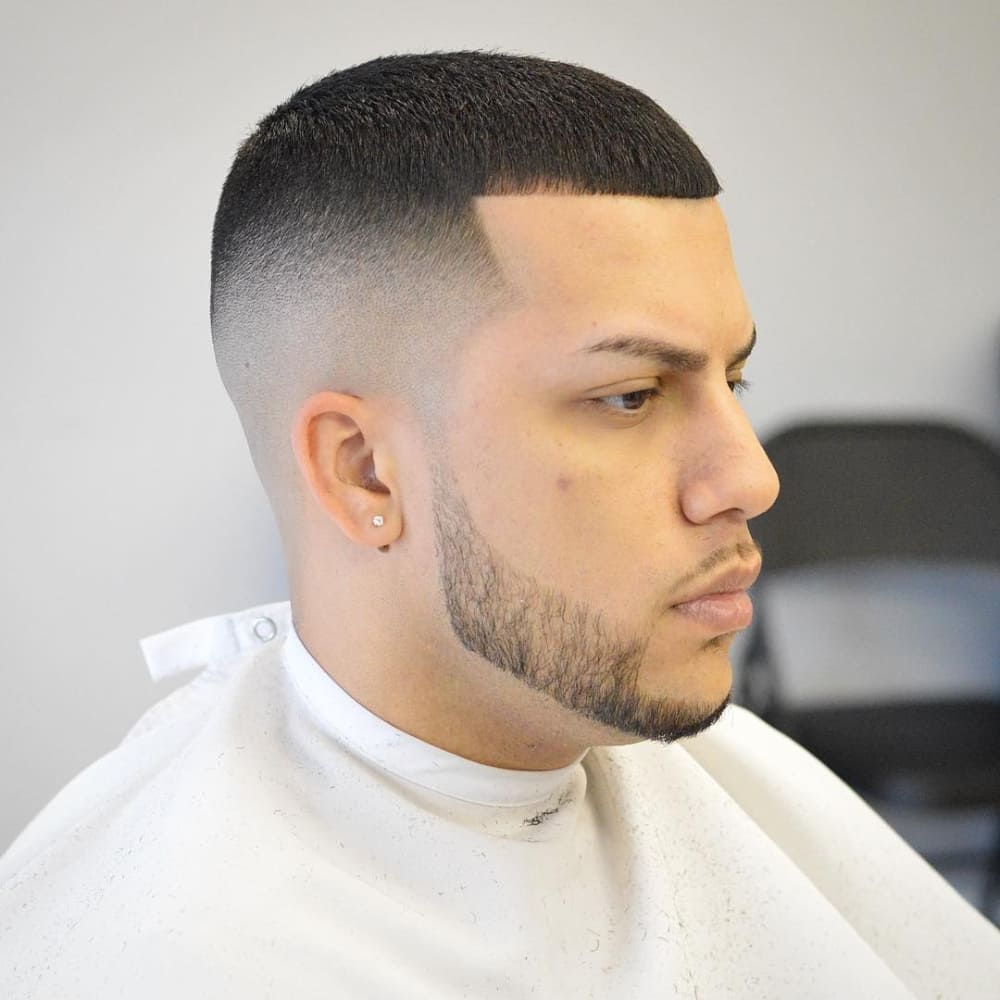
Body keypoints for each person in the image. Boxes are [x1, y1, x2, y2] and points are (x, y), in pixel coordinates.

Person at [0, 50, 997, 999]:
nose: (750, 477)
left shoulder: (709, 762)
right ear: (364, 471)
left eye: (732, 378)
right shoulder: (167, 951)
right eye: (631, 395)